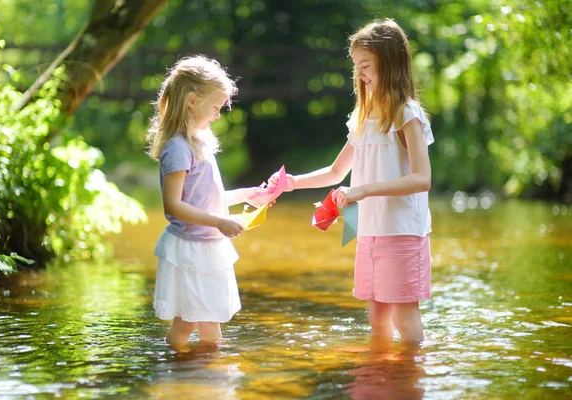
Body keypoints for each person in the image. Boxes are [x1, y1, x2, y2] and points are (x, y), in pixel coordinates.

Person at [269, 19, 433, 342]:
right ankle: (378, 383)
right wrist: (290, 183)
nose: (360, 74)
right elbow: (335, 172)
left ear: (390, 62)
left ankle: (410, 382)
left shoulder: (407, 114)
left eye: (366, 65)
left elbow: (422, 178)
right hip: (370, 232)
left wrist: (363, 191)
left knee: (403, 318)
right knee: (378, 322)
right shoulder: (363, 116)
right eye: (357, 66)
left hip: (401, 230)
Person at [146, 55, 266, 351]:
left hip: (207, 245)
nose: (217, 115)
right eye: (215, 107)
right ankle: (178, 375)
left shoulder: (197, 142)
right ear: (191, 101)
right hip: (191, 249)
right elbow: (173, 206)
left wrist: (246, 195)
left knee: (210, 320)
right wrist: (220, 222)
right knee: (186, 322)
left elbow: (206, 199)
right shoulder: (177, 147)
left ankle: (211, 381)